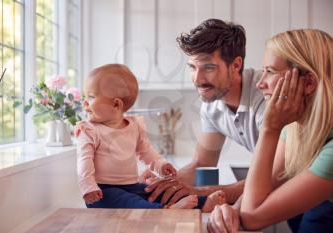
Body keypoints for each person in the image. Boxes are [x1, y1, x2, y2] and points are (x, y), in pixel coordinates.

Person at [208, 29, 333, 233]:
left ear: (308, 82)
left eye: (271, 71)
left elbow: (252, 217)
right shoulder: (295, 126)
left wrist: (270, 127)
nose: (260, 83)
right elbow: (268, 184)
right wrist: (229, 211)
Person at [144, 18, 265, 206]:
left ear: (235, 65)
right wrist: (165, 183)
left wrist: (201, 192)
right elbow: (202, 164)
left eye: (208, 67)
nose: (198, 79)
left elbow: (275, 177)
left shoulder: (264, 94)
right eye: (192, 67)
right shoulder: (212, 105)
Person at [76, 63, 227, 212]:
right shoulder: (88, 130)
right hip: (102, 192)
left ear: (116, 104)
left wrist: (161, 165)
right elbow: (84, 162)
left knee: (156, 191)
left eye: (91, 97)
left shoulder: (134, 126)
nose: (84, 103)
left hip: (132, 186)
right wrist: (88, 187)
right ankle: (164, 211)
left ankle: (202, 203)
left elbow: (146, 152)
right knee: (130, 202)